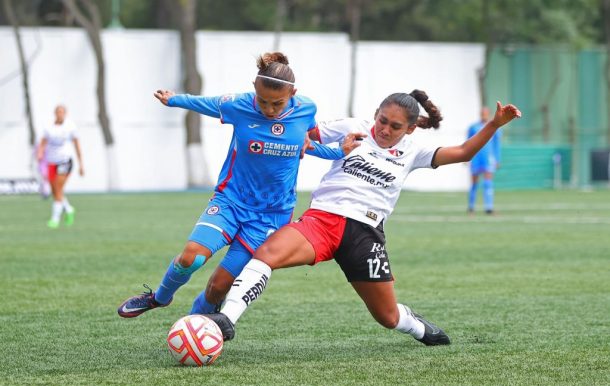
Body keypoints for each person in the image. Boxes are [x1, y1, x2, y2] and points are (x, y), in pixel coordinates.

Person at [201, 91, 521, 346]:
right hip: (321, 221)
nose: (385, 129)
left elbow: (463, 153)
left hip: (364, 237)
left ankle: (417, 326)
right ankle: (227, 319)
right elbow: (301, 134)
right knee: (266, 254)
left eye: (395, 127)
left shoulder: (414, 151)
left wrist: (494, 124)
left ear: (410, 128)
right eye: (382, 120)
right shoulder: (352, 127)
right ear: (376, 114)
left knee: (387, 317)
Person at [117, 52, 360, 318]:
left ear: (293, 93)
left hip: (270, 216)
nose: (268, 109)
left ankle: (196, 326)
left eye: (277, 104)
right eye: (263, 101)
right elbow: (204, 103)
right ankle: (159, 298)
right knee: (191, 257)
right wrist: (173, 99)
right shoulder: (240, 105)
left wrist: (339, 150)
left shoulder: (306, 110)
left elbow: (307, 144)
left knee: (219, 286)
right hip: (230, 202)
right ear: (254, 89)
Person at [37, 105, 84, 228]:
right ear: (55, 113)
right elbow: (43, 142)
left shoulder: (70, 127)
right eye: (58, 112)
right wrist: (40, 153)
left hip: (64, 161)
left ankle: (55, 219)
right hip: (51, 162)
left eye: (62, 112)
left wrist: (81, 164)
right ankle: (68, 209)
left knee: (58, 188)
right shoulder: (49, 127)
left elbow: (77, 144)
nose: (60, 114)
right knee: (55, 191)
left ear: (65, 113)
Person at [467, 107, 502, 214]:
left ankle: (489, 207)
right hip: (476, 157)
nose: (484, 115)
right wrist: (467, 157)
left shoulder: (496, 128)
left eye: (486, 113)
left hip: (488, 158)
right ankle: (471, 207)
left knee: (488, 183)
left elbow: (497, 144)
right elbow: (467, 142)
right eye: (482, 113)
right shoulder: (473, 127)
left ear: (489, 114)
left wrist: (497, 159)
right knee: (474, 183)